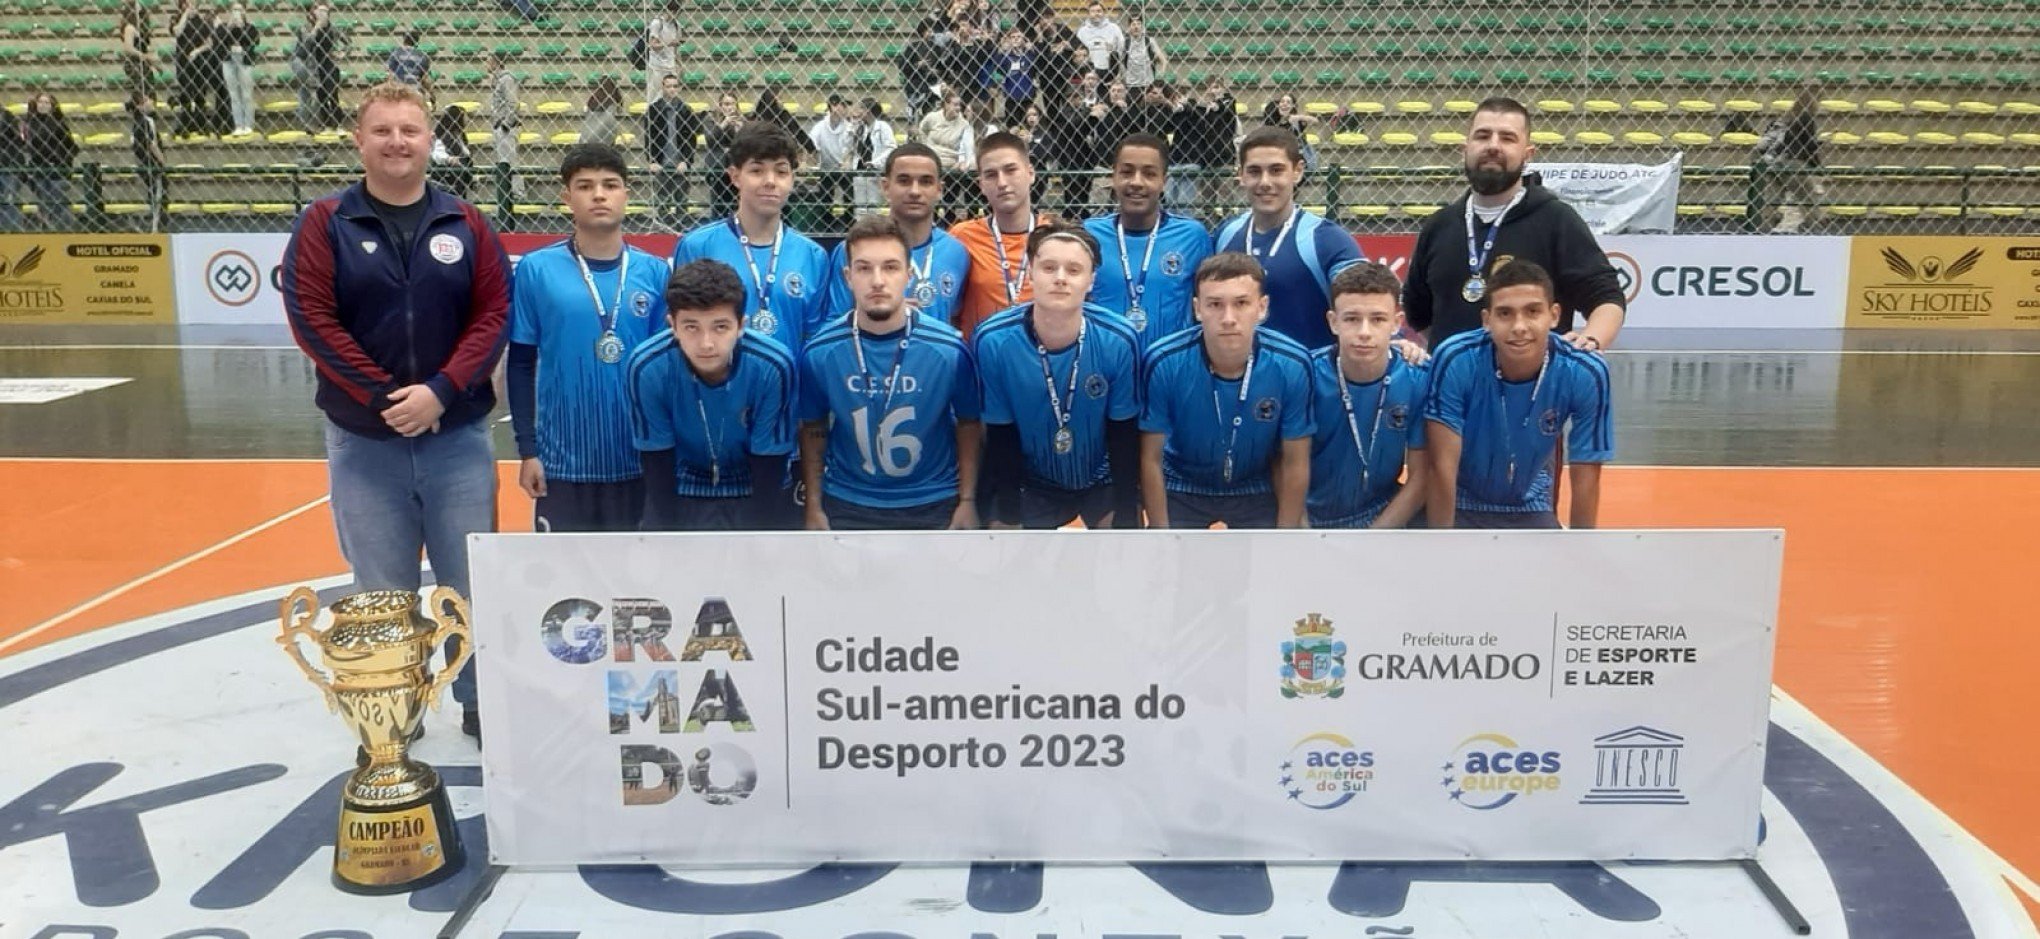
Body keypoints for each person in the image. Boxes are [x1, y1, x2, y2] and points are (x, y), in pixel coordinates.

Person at [281, 81, 511, 740]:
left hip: (457, 436)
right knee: (381, 588)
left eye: (409, 130)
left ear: (429, 138)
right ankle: (394, 702)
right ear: (359, 140)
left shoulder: (465, 222)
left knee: (466, 582)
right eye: (382, 130)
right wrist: (384, 397)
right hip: (366, 441)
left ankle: (476, 698)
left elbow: (493, 313)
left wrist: (441, 389)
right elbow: (313, 320)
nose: (397, 142)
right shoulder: (325, 223)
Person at [507, 144, 672, 532]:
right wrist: (527, 450)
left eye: (610, 185)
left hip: (638, 458)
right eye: (585, 186)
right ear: (567, 197)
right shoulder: (536, 270)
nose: (599, 194)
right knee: (567, 588)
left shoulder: (654, 272)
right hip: (562, 464)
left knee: (637, 587)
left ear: (626, 194)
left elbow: (667, 372)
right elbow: (520, 363)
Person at [799, 215, 982, 531]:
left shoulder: (949, 351)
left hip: (933, 498)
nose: (878, 280)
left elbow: (969, 424)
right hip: (848, 499)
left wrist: (967, 501)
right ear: (847, 276)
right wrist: (814, 507)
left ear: (909, 275)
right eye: (864, 268)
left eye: (890, 267)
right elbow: (812, 428)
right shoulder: (820, 352)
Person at [1403, 96, 1625, 352]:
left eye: (1507, 138)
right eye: (1483, 136)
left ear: (1527, 154)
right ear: (1465, 148)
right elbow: (1418, 311)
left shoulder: (1556, 220)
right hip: (1455, 389)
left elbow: (1607, 298)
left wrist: (1592, 341)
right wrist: (1460, 358)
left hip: (1533, 387)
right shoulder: (1439, 226)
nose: (1493, 146)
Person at [972, 224, 1142, 529]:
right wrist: (1010, 517)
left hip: (1100, 475)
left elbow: (1123, 433)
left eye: (1074, 270)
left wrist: (1126, 516)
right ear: (1032, 273)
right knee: (1003, 545)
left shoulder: (1118, 338)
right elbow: (1001, 435)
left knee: (1124, 560)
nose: (1060, 278)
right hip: (1029, 478)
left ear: (1091, 280)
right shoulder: (993, 340)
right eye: (1049, 267)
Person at [1424, 260, 1610, 530]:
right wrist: (1444, 549)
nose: (1519, 326)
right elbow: (1442, 468)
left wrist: (1581, 553)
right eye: (1505, 314)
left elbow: (1586, 478)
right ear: (1487, 320)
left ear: (1554, 315)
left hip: (1528, 502)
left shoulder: (1585, 371)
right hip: (1460, 501)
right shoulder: (1455, 358)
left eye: (1533, 311)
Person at [1139, 252, 1314, 529]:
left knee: (1267, 569)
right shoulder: (1163, 361)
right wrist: (1162, 534)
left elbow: (1295, 461)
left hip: (1255, 485)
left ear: (1262, 307)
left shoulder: (1293, 364)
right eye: (1215, 304)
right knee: (1168, 570)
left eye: (1241, 303)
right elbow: (1150, 458)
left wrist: (1285, 537)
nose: (1228, 318)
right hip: (1182, 483)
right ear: (1197, 308)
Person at [627, 259, 798, 531]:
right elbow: (657, 463)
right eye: (691, 327)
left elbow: (770, 466)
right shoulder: (647, 367)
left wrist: (758, 542)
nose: (706, 343)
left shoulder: (773, 366)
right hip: (683, 486)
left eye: (720, 327)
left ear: (741, 325)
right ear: (672, 324)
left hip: (754, 487)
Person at [672, 123, 832, 354]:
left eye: (781, 171)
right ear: (735, 177)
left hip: (789, 387)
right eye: (757, 171)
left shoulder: (813, 256)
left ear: (792, 179)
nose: (770, 181)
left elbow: (815, 341)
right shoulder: (697, 246)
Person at [1213, 125, 1365, 350]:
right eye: (1254, 171)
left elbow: (1366, 303)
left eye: (1276, 170)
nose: (1265, 182)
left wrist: (1395, 341)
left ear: (1298, 171)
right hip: (1238, 379)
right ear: (1241, 175)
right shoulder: (1225, 235)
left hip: (1309, 381)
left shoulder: (1326, 240)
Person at [1307, 263, 1430, 529]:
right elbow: (1282, 467)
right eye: (1352, 319)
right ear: (1333, 322)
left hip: (1381, 513)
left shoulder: (1417, 378)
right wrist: (1305, 536)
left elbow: (1421, 477)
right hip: (1308, 516)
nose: (1364, 332)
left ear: (1396, 323)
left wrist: (1373, 540)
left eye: (1377, 319)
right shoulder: (1306, 376)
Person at [1083, 133, 1210, 346]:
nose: (1136, 182)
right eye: (1126, 172)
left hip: (1169, 366)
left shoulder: (1192, 236)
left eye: (1149, 174)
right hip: (1105, 365)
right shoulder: (1089, 235)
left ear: (1164, 181)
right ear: (1113, 177)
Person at [826, 142, 971, 326]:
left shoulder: (957, 252)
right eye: (904, 181)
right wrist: (882, 315)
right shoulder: (853, 249)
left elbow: (956, 320)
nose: (915, 191)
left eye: (925, 182)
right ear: (885, 187)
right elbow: (833, 322)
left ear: (939, 190)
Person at [949, 131, 1048, 338]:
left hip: (1041, 363)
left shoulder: (1055, 235)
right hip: (980, 362)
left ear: (1031, 173)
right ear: (981, 185)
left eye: (1011, 170)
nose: (1002, 182)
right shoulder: (962, 237)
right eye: (991, 175)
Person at [1758, 86, 1824, 234]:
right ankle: (1814, 227)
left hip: (1776, 160)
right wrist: (1817, 166)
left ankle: (1763, 224)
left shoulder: (1789, 116)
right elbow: (1809, 146)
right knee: (1807, 196)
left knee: (1774, 196)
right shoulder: (1806, 116)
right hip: (1793, 161)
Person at [644, 73, 698, 219]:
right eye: (668, 86)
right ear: (662, 87)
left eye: (675, 86)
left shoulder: (686, 110)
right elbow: (649, 138)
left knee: (681, 205)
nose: (672, 89)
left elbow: (691, 139)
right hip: (661, 162)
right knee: (662, 204)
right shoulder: (653, 110)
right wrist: (652, 160)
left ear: (679, 88)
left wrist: (686, 161)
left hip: (680, 162)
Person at [22, 92, 77, 230]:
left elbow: (72, 146)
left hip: (57, 168)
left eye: (47, 103)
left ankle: (65, 229)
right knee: (43, 201)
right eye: (41, 102)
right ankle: (46, 229)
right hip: (38, 167)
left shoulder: (59, 124)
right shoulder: (30, 123)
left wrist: (62, 161)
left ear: (52, 106)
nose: (43, 105)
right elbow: (27, 144)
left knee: (58, 201)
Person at [295, 3, 345, 133]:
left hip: (330, 64)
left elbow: (348, 42)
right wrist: (316, 27)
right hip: (315, 66)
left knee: (333, 95)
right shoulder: (307, 28)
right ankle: (327, 124)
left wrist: (342, 53)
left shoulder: (333, 29)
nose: (322, 14)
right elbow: (306, 44)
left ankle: (338, 125)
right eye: (319, 12)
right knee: (321, 96)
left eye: (325, 12)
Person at [128, 89, 168, 232]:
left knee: (153, 193)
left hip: (143, 164)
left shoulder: (136, 122)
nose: (151, 102)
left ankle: (154, 223)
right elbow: (151, 144)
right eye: (146, 100)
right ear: (139, 106)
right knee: (158, 194)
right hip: (151, 164)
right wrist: (162, 161)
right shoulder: (146, 121)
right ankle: (154, 227)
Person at [807, 94, 856, 209]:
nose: (845, 109)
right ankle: (826, 222)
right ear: (834, 106)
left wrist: (847, 161)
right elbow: (811, 144)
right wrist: (811, 160)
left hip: (844, 168)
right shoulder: (820, 127)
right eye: (843, 105)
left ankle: (849, 222)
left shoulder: (849, 126)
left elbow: (852, 148)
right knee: (825, 199)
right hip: (826, 167)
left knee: (850, 198)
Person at [218, 2, 258, 135]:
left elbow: (255, 41)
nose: (237, 13)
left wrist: (242, 28)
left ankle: (248, 124)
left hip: (244, 60)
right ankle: (238, 125)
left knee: (246, 94)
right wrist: (229, 27)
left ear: (244, 12)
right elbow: (219, 40)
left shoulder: (250, 27)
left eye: (239, 10)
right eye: (234, 10)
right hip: (229, 60)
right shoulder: (224, 27)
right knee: (234, 95)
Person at [848, 97, 896, 210]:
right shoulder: (860, 127)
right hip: (859, 170)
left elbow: (891, 148)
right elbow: (848, 146)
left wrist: (875, 162)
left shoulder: (883, 127)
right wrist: (851, 127)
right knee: (859, 207)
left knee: (873, 206)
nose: (858, 112)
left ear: (868, 111)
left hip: (875, 171)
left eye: (861, 109)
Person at [701, 92, 743, 218]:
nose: (729, 107)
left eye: (732, 104)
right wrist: (724, 123)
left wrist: (739, 128)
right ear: (720, 106)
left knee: (736, 203)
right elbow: (710, 140)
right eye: (726, 104)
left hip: (735, 166)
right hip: (717, 166)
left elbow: (745, 143)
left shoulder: (742, 120)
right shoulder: (710, 119)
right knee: (718, 204)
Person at [485, 53, 520, 195]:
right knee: (503, 161)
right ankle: (508, 192)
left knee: (509, 161)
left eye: (488, 61)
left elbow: (513, 103)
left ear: (496, 63)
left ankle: (517, 192)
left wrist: (506, 123)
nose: (485, 65)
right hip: (499, 124)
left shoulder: (506, 79)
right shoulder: (497, 80)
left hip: (505, 126)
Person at [918, 91, 975, 172]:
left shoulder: (964, 124)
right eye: (955, 105)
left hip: (951, 164)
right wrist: (925, 145)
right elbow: (922, 130)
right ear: (946, 105)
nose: (958, 108)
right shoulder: (932, 117)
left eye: (959, 105)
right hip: (931, 159)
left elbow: (965, 148)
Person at [1118, 13, 1166, 95]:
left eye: (1138, 24)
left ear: (1142, 26)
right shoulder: (1124, 42)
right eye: (1133, 24)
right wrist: (1120, 77)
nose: (1136, 27)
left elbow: (1163, 60)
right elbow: (1118, 62)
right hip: (1131, 85)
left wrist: (1161, 75)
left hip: (1149, 84)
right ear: (1129, 27)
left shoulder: (1150, 41)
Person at [1074, 1, 1123, 79]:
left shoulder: (1114, 28)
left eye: (1099, 11)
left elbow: (1121, 49)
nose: (1096, 14)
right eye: (1093, 11)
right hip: (1089, 73)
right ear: (1088, 14)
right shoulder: (1082, 31)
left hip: (1110, 72)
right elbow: (1078, 53)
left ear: (1104, 13)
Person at [643, 0, 680, 101]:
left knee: (671, 96)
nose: (675, 15)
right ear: (668, 11)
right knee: (654, 97)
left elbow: (675, 48)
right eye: (673, 12)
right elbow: (652, 45)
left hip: (670, 65)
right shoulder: (657, 23)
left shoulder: (676, 25)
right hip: (657, 66)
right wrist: (668, 43)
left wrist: (678, 63)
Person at [118, 2, 157, 97]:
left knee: (148, 89)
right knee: (142, 90)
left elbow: (146, 47)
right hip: (134, 63)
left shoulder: (140, 30)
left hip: (142, 63)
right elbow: (128, 48)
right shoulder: (129, 28)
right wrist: (144, 56)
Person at [386, 31, 430, 97]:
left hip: (399, 89)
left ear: (404, 40)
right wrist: (430, 93)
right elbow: (424, 78)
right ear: (417, 42)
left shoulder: (396, 53)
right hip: (415, 89)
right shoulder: (423, 55)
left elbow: (390, 75)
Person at [0, 107, 23, 232]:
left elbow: (19, 141)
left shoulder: (7, 116)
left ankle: (12, 233)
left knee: (10, 201)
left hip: (8, 165)